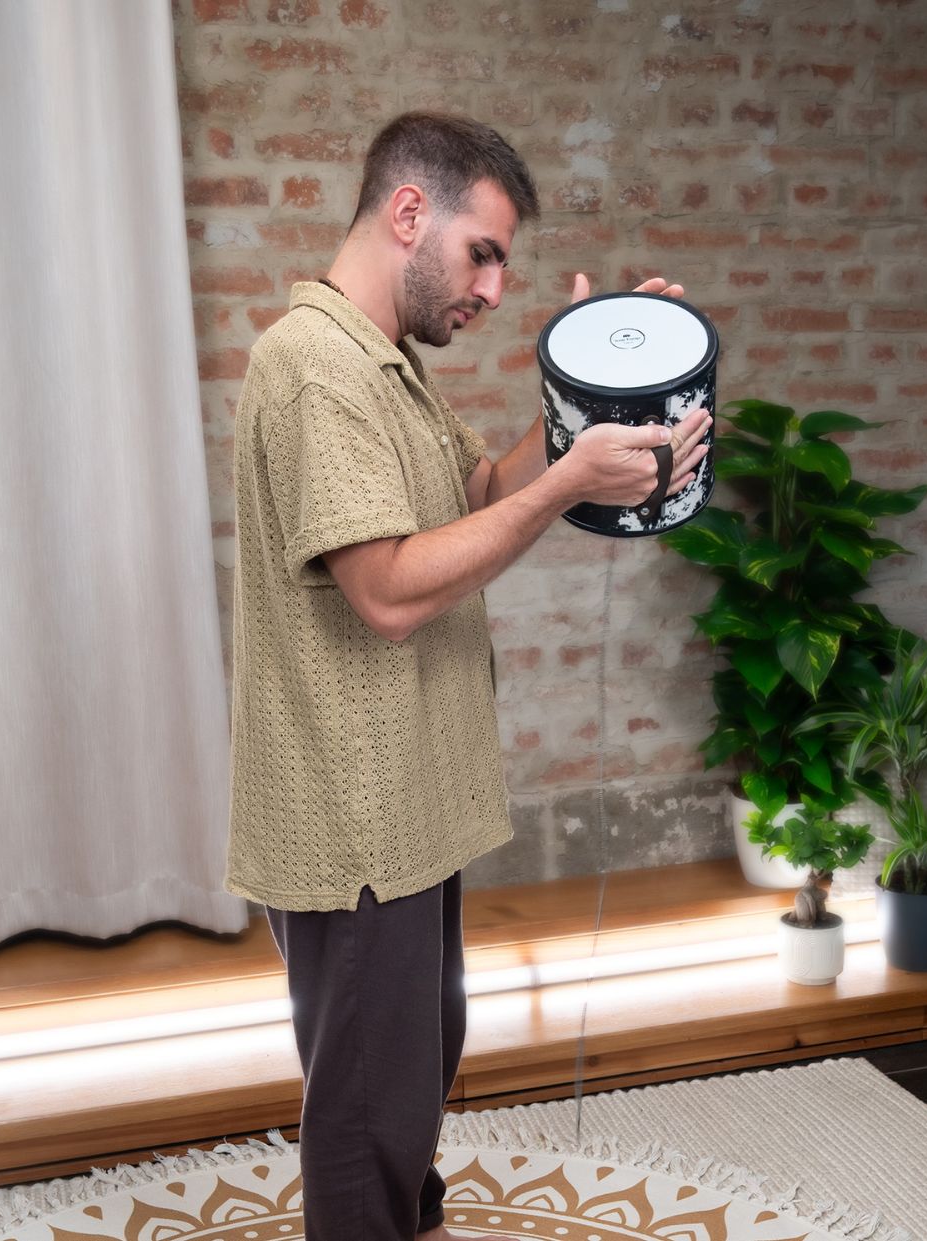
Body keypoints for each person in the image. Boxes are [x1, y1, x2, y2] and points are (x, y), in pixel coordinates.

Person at [226, 111, 710, 1241]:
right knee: (366, 1098)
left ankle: (420, 1218)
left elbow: (481, 491)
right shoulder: (313, 368)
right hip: (352, 815)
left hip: (407, 802)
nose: (492, 288)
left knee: (412, 1058)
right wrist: (569, 483)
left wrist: (596, 392)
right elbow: (389, 590)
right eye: (482, 253)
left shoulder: (381, 363)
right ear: (409, 213)